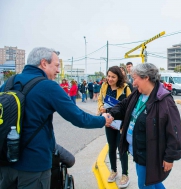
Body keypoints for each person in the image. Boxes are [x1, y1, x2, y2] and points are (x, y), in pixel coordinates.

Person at [0, 47, 113, 189]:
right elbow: (78, 117)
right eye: (56, 65)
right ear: (44, 63)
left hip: (5, 162)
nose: (58, 70)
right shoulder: (48, 86)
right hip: (34, 166)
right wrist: (103, 120)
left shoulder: (9, 83)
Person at [108, 63, 181, 189]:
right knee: (153, 182)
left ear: (146, 77)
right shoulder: (137, 94)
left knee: (144, 185)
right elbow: (122, 106)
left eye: (135, 78)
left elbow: (175, 131)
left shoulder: (164, 100)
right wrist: (109, 114)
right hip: (138, 150)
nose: (133, 83)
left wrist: (170, 157)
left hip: (149, 154)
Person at [97, 66, 131, 188]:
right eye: (109, 76)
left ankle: (125, 174)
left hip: (121, 124)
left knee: (121, 148)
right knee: (111, 147)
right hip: (109, 122)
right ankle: (113, 170)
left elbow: (130, 106)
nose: (110, 79)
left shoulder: (126, 88)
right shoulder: (104, 86)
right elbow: (100, 99)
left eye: (113, 77)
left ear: (118, 77)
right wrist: (101, 107)